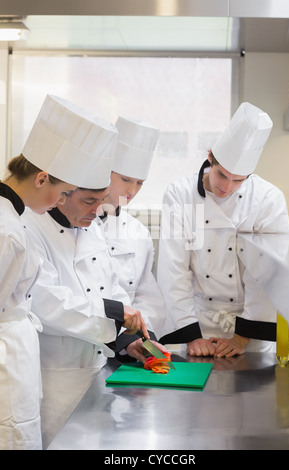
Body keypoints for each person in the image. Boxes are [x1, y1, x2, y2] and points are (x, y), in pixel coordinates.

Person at [21, 119, 155, 448]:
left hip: (99, 374)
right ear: (62, 192)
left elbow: (109, 284)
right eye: (88, 201)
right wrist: (115, 312)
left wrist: (126, 340)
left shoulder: (89, 223)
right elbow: (47, 301)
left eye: (99, 200)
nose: (99, 211)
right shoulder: (29, 228)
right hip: (55, 379)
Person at [0, 93, 114, 450]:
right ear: (41, 178)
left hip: (17, 366)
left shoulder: (12, 219)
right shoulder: (8, 231)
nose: (60, 203)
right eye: (63, 193)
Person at [157, 102, 289, 358]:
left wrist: (243, 336)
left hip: (251, 326)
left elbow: (266, 271)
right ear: (210, 157)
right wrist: (191, 334)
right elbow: (174, 268)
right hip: (198, 321)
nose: (227, 187)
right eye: (222, 175)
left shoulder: (267, 199)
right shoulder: (180, 194)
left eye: (238, 180)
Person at [96, 116, 167, 362]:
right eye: (125, 179)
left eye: (140, 183)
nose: (132, 191)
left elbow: (146, 296)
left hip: (127, 351)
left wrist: (138, 339)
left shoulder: (138, 233)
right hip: (84, 350)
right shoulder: (73, 225)